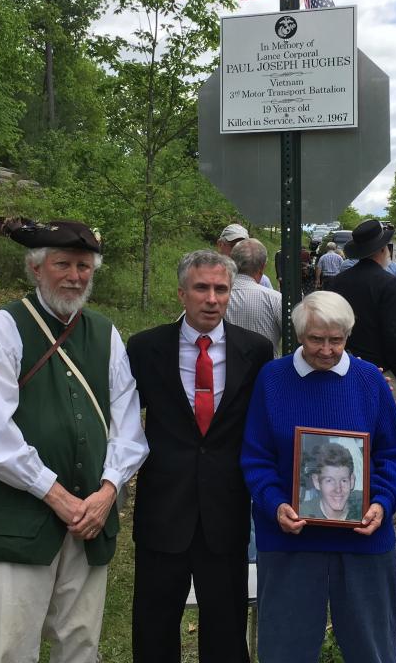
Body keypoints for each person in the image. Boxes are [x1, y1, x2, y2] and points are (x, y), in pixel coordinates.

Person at [0, 217, 149, 663]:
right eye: (63, 264)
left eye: (84, 266)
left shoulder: (105, 333)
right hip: (16, 520)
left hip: (91, 519)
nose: (75, 276)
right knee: (3, 646)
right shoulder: (4, 327)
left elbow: (128, 427)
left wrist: (106, 493)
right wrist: (56, 494)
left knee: (80, 643)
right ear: (36, 268)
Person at [241, 291, 396, 663]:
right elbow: (256, 457)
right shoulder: (273, 379)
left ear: (348, 336)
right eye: (316, 339)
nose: (327, 349)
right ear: (299, 334)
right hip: (290, 537)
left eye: (336, 340)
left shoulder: (368, 380)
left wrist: (382, 502)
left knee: (373, 646)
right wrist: (275, 504)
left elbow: (395, 453)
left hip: (363, 536)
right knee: (286, 647)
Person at [126, 250, 274, 663]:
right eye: (202, 288)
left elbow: (265, 425)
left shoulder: (256, 351)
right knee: (154, 630)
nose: (212, 298)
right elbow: (119, 423)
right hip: (162, 512)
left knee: (226, 632)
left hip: (225, 514)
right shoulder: (144, 348)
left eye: (221, 289)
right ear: (181, 293)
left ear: (231, 294)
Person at [330, 220, 396, 489]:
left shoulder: (338, 282)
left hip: (345, 365)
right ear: (382, 250)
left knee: (352, 426)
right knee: (388, 430)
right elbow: (394, 333)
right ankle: (389, 483)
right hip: (382, 369)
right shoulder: (387, 283)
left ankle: (353, 482)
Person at [227, 238, 283, 354]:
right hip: (267, 370)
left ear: (231, 262)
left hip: (225, 371)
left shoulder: (211, 298)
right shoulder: (276, 299)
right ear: (263, 267)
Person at [298, 441, 364, 522]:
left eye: (344, 481)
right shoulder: (302, 514)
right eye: (329, 481)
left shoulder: (364, 504)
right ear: (317, 482)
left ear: (352, 481)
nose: (338, 489)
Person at [217, 223, 273, 289]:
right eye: (233, 245)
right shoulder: (208, 274)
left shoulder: (262, 281)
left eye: (242, 247)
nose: (237, 251)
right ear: (220, 245)